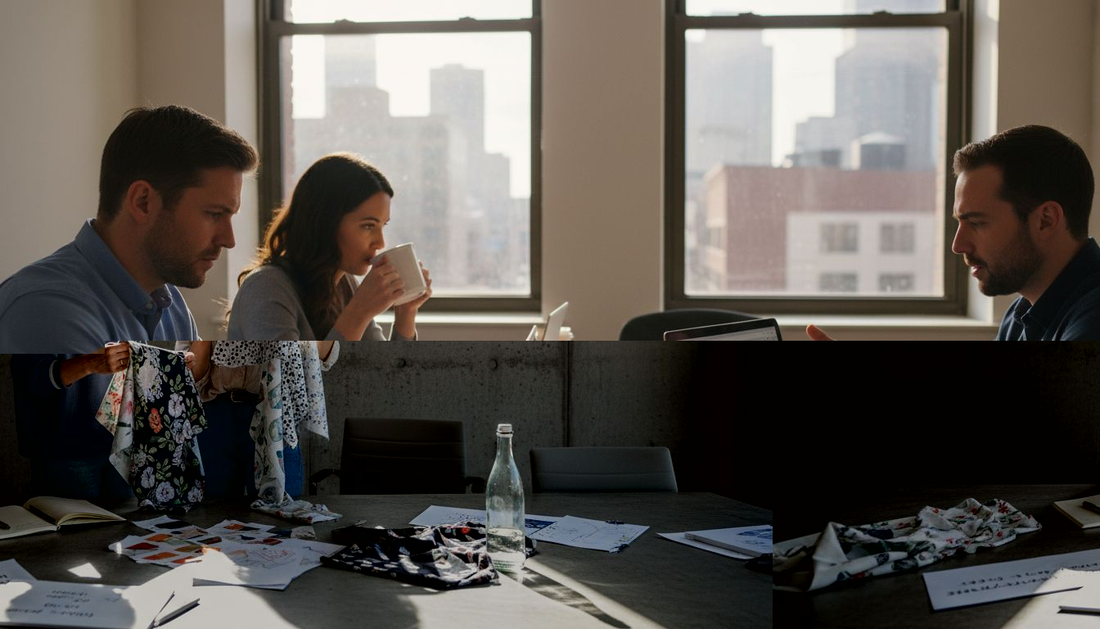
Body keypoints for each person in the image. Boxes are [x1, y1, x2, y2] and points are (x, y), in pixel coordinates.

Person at [0, 105, 258, 353]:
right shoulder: (48, 312)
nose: (229, 240)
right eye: (214, 214)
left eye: (231, 216)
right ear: (142, 202)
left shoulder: (170, 305)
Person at [808, 124, 1097, 341]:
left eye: (977, 223)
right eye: (959, 222)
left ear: (1045, 220)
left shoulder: (1091, 322)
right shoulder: (1020, 315)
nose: (958, 245)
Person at [228, 152, 431, 341]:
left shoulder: (344, 284)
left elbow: (387, 375)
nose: (380, 243)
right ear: (325, 223)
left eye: (382, 225)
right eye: (368, 226)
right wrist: (359, 312)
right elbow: (290, 379)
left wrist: (406, 313)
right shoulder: (266, 287)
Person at [11, 343, 208, 503]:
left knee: (128, 537)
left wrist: (167, 362)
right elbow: (32, 375)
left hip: (124, 445)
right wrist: (90, 363)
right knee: (73, 544)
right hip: (66, 450)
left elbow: (133, 354)